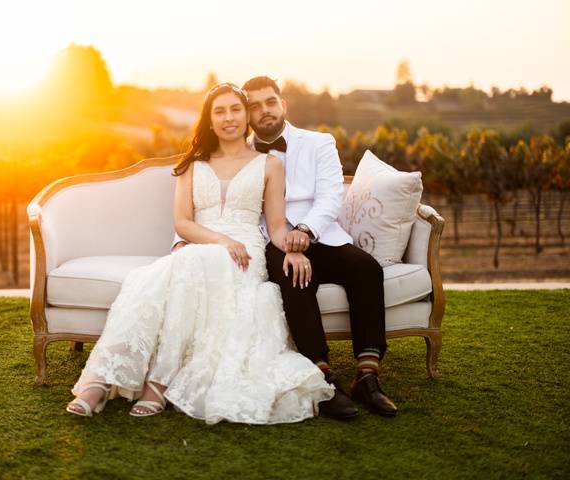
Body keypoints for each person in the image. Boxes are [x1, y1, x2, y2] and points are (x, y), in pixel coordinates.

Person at [66, 83, 334, 424]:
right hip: (208, 245)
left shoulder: (269, 165)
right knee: (148, 280)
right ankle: (101, 381)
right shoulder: (191, 164)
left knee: (181, 267)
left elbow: (277, 227)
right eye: (219, 111)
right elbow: (183, 222)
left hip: (245, 254)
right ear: (209, 120)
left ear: (246, 115)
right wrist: (220, 241)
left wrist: (293, 249)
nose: (228, 118)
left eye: (235, 109)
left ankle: (157, 383)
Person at [176, 77, 398, 418]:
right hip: (272, 240)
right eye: (254, 106)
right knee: (292, 276)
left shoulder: (319, 143)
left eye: (270, 102)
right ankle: (323, 375)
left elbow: (329, 195)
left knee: (367, 269)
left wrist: (306, 231)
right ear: (247, 115)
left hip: (320, 235)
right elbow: (217, 208)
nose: (263, 111)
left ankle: (367, 376)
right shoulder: (239, 152)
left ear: (283, 105)